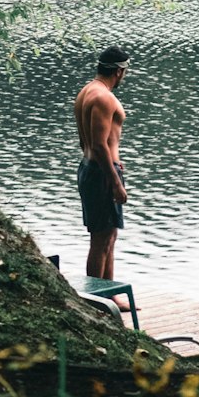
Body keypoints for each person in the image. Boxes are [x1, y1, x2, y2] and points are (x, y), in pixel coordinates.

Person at [74, 46, 130, 279]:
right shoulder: (104, 98)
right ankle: (97, 301)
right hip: (101, 173)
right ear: (119, 71)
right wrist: (115, 182)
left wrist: (114, 163)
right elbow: (99, 144)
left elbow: (85, 141)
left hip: (92, 168)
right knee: (101, 239)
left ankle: (109, 294)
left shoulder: (87, 91)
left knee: (108, 236)